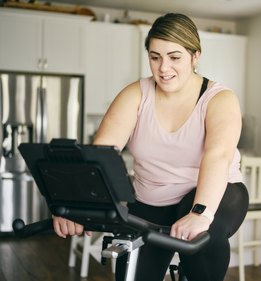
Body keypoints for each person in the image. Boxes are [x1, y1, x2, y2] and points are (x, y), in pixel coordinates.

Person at [53, 13, 249, 281]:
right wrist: (76, 206)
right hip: (150, 200)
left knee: (204, 237)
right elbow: (99, 156)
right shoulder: (135, 95)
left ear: (195, 56)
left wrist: (200, 213)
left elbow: (218, 155)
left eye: (174, 57)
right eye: (155, 57)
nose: (163, 68)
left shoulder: (219, 99)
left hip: (215, 196)